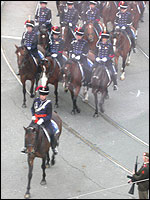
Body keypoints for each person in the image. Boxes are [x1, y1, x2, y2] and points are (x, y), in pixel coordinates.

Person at [21, 85, 58, 155]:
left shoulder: (48, 103)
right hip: (36, 120)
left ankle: (54, 147)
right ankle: (25, 147)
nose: (42, 96)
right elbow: (32, 108)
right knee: (27, 131)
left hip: (45, 122)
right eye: (41, 94)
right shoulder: (36, 100)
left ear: (46, 95)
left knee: (51, 132)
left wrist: (43, 120)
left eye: (44, 95)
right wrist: (33, 115)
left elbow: (49, 115)